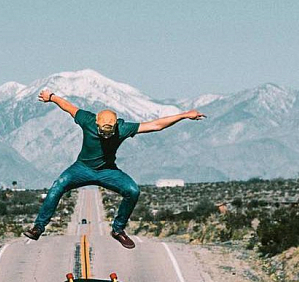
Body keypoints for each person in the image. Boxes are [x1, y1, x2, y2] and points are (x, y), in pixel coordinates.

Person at [23, 89, 205, 249]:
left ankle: (118, 230)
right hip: (81, 168)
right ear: (96, 124)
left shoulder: (123, 128)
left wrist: (183, 115)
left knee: (133, 191)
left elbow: (156, 125)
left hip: (108, 171)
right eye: (103, 132)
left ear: (116, 125)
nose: (106, 136)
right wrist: (51, 97)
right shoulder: (87, 119)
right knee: (57, 186)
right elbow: (68, 106)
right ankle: (38, 227)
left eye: (109, 133)